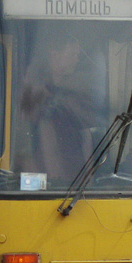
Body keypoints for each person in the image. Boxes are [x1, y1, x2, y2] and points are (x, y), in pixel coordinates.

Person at [17, 33, 95, 184]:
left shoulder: (74, 93)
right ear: (54, 55)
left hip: (75, 185)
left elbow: (86, 138)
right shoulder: (33, 94)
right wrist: (49, 184)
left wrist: (88, 181)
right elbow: (26, 145)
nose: (77, 59)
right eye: (72, 54)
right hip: (45, 185)